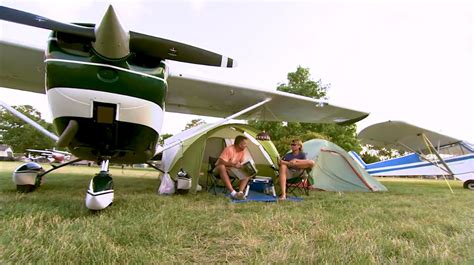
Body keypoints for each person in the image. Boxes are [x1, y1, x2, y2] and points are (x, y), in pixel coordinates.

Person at [214, 135, 251, 200]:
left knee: (247, 172)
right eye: (245, 144)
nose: (246, 146)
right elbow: (220, 161)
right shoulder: (229, 149)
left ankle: (240, 193)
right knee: (222, 167)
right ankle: (233, 193)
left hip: (231, 170)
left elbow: (240, 163)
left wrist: (241, 166)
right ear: (240, 144)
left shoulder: (242, 152)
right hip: (218, 170)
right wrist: (233, 165)